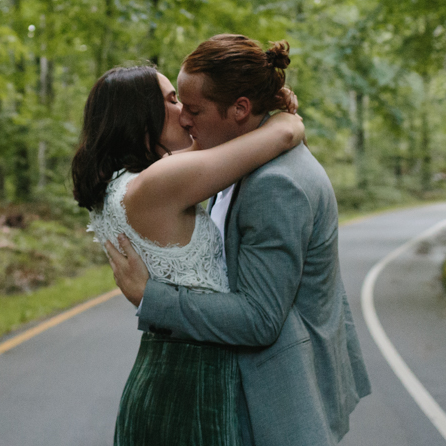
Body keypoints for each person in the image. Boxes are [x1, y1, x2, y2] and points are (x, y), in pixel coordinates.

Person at [105, 35, 371, 446]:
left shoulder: (275, 185)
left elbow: (260, 319)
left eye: (193, 109)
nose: (184, 120)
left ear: (240, 109)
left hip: (276, 397)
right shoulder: (240, 158)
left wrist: (151, 296)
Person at [71, 62, 306, 446]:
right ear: (140, 115)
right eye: (171, 99)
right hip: (190, 385)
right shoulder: (158, 183)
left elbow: (205, 148)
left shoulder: (128, 184)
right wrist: (286, 116)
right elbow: (282, 135)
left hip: (169, 373)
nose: (183, 111)